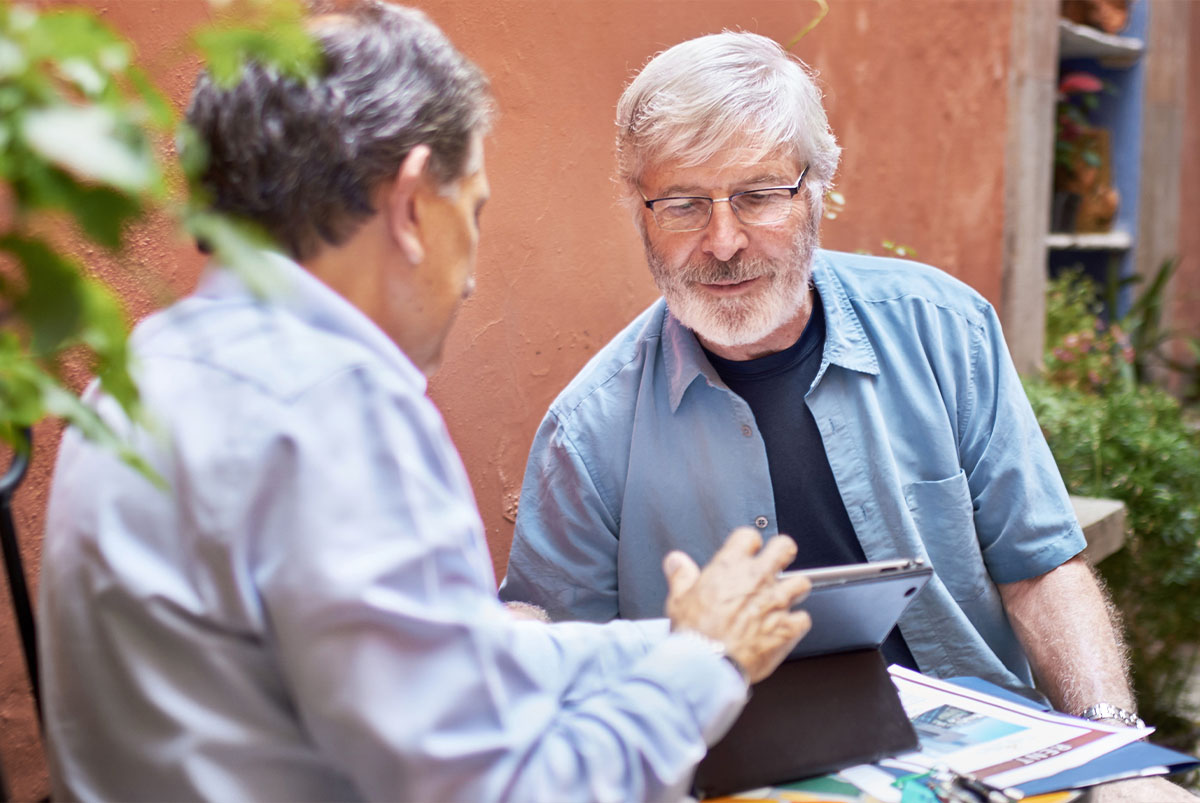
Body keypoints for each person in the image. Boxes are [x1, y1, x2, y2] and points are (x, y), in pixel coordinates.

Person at [37, 7, 815, 801]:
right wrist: (706, 666)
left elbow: (435, 680)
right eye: (471, 212)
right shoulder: (334, 408)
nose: (471, 274)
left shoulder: (140, 370)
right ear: (413, 205)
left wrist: (674, 642)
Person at [500, 26, 1163, 756]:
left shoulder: (945, 329)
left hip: (974, 764)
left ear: (817, 190)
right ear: (639, 210)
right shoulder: (588, 432)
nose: (723, 242)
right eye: (684, 204)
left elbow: (1039, 566)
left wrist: (1116, 747)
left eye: (757, 196)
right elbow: (559, 658)